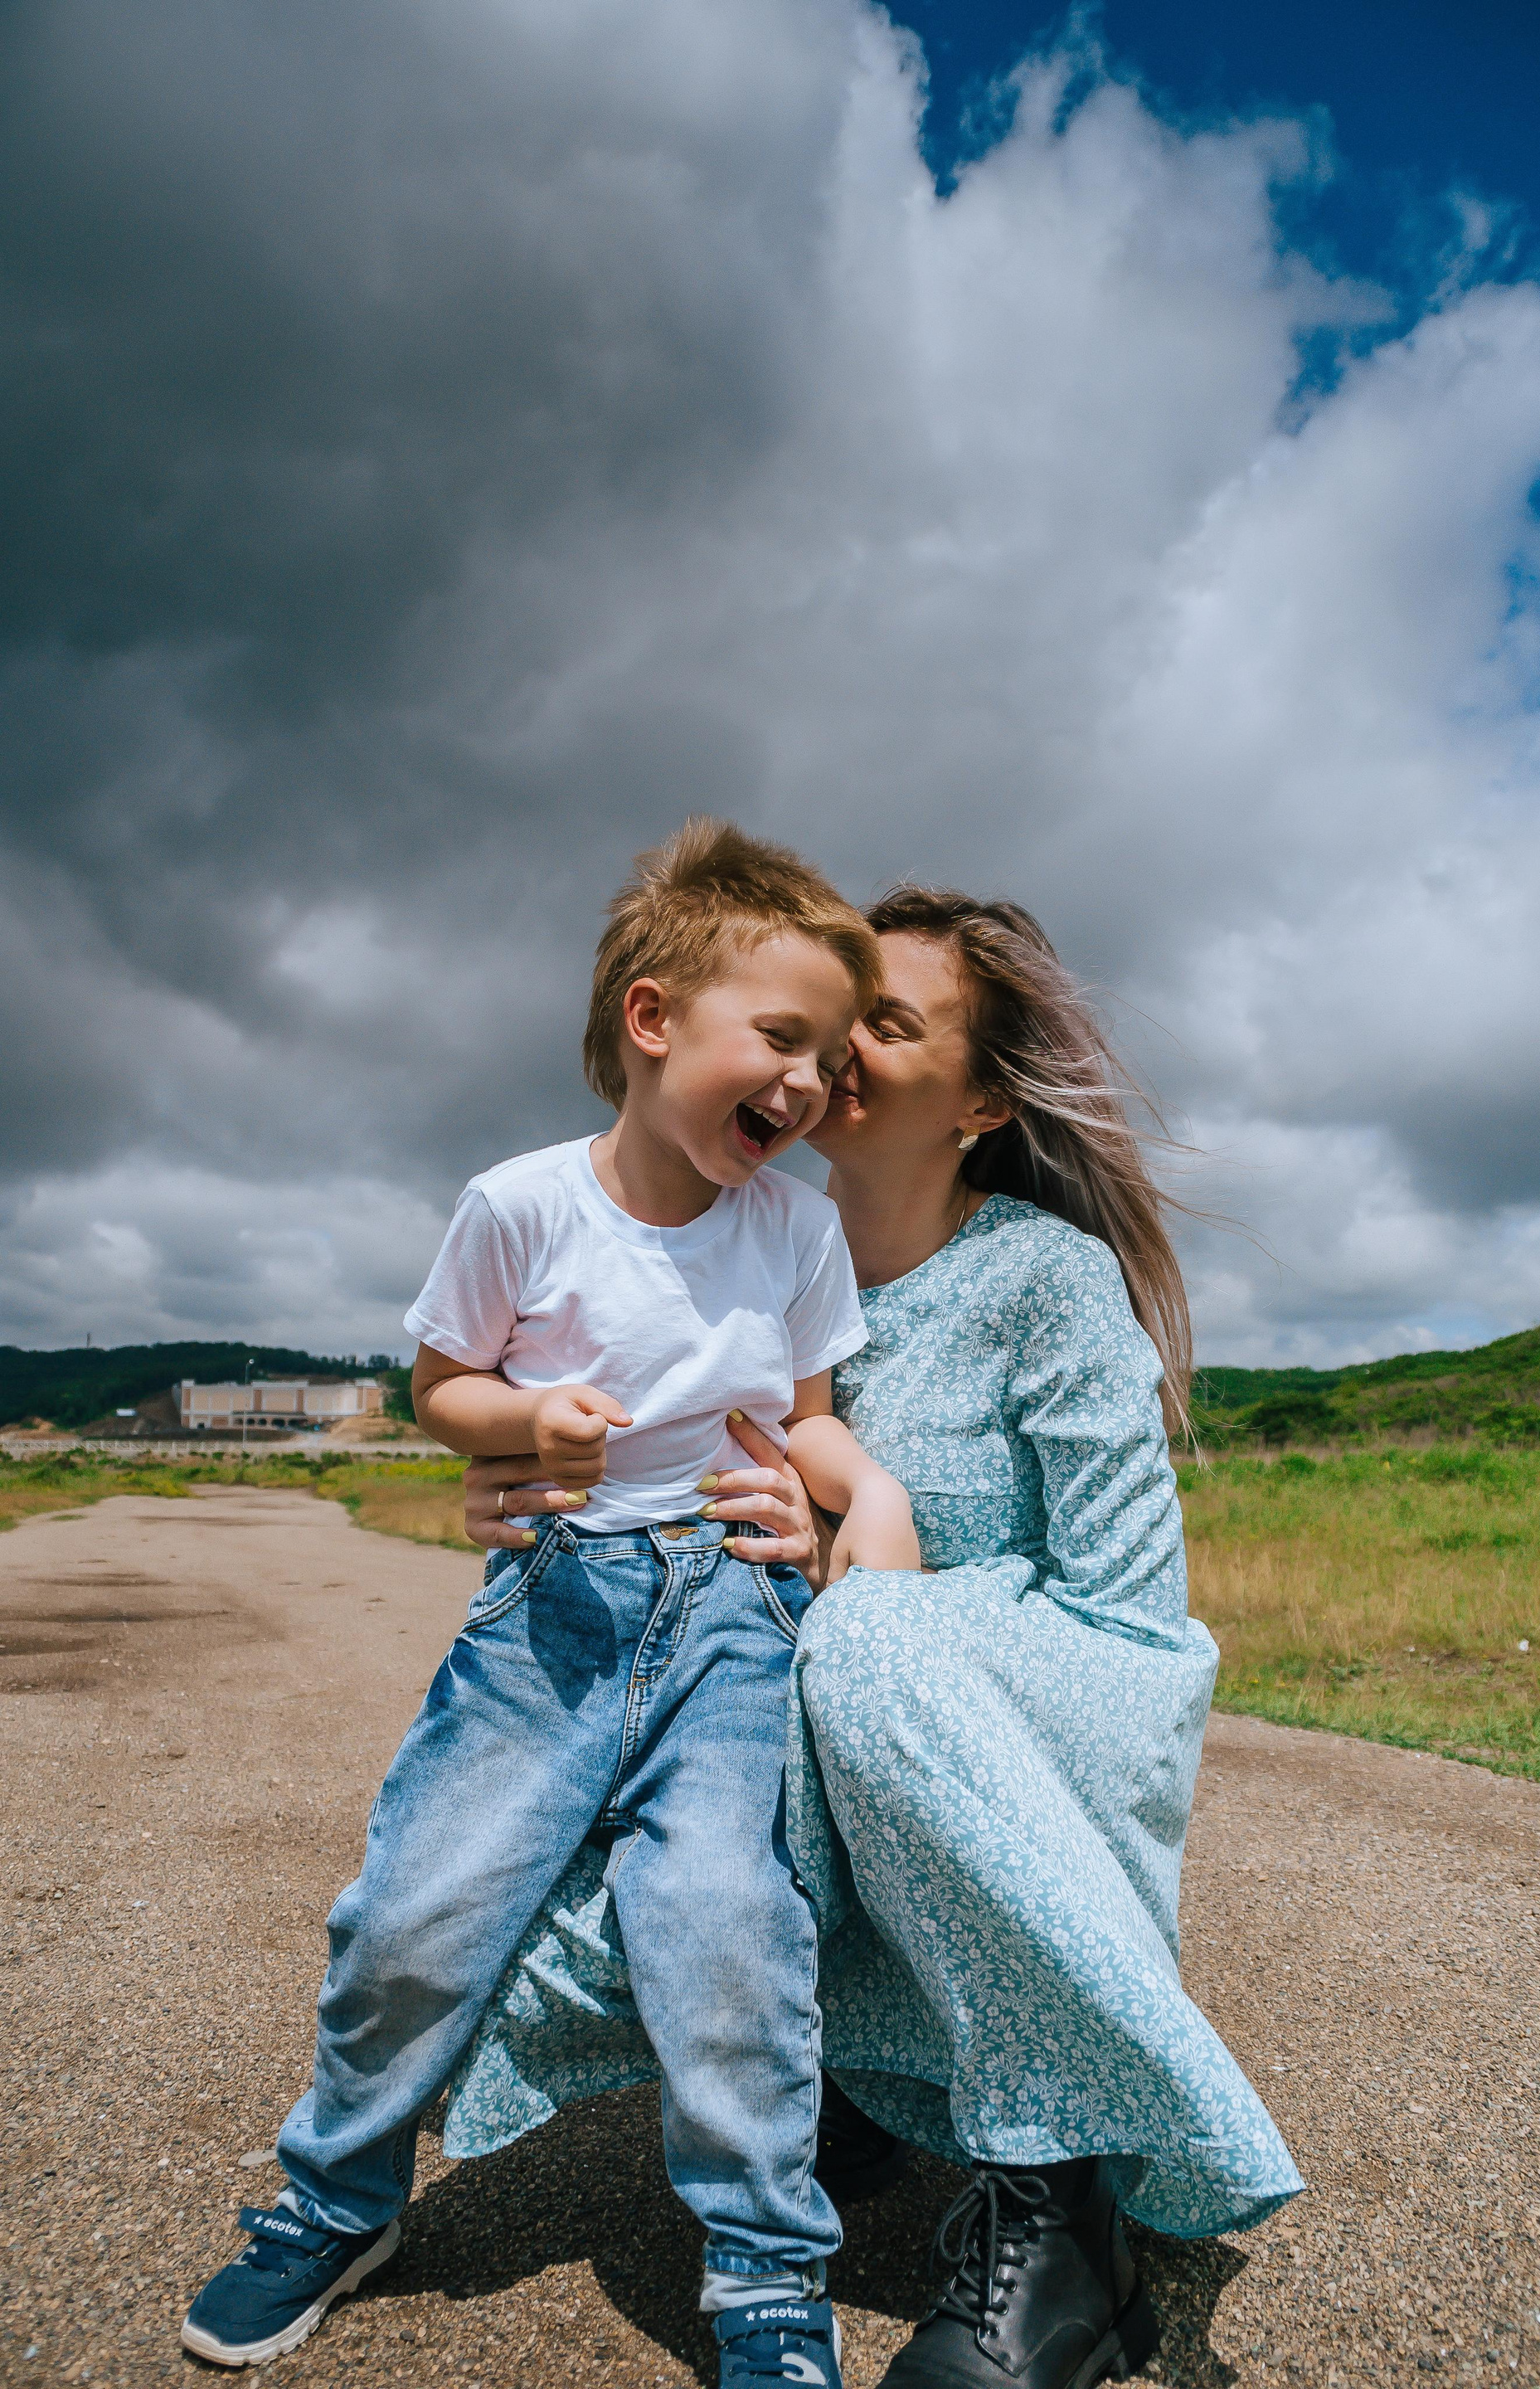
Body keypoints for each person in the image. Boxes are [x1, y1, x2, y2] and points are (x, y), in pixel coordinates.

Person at [453, 887, 1303, 2389]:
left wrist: (882, 1581)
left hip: (1049, 1692)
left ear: (981, 1103)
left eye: (889, 1027)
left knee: (862, 1651)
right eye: (833, 1021)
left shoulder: (1045, 1277)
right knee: (514, 1829)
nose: (836, 1054)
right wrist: (529, 1484)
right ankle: (845, 2064)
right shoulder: (740, 1252)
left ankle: (1068, 2198)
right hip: (802, 1700)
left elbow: (1129, 1613)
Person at [180, 820, 922, 2385]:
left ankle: (765, 2267)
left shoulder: (798, 1227)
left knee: (729, 1926)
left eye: (830, 1056)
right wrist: (521, 1421)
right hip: (552, 1614)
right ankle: (337, 2201)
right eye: (780, 1038)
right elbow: (440, 1385)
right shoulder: (519, 1205)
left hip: (732, 1614)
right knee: (416, 1910)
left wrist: (869, 1493)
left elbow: (806, 1417)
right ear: (654, 1020)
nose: (806, 1083)